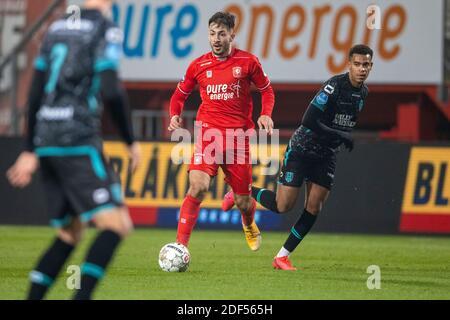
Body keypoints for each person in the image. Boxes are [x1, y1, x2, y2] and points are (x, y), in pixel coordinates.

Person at [6, 0, 141, 299]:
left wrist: (30, 148)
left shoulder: (55, 28)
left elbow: (36, 90)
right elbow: (111, 90)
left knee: (69, 234)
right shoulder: (105, 29)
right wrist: (130, 141)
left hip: (47, 141)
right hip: (77, 140)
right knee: (117, 225)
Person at [223, 44, 373, 270]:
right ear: (349, 64)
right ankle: (242, 191)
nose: (362, 69)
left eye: (366, 65)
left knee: (314, 207)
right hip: (302, 149)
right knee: (283, 206)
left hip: (326, 155)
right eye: (358, 64)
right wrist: (340, 134)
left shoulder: (363, 93)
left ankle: (281, 257)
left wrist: (337, 138)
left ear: (371, 66)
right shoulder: (334, 86)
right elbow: (309, 120)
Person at [168, 12, 275, 251]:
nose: (216, 39)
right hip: (208, 136)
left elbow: (267, 91)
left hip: (238, 139)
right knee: (197, 186)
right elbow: (179, 95)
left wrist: (265, 113)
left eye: (222, 34)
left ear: (231, 36)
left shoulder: (248, 62)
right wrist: (175, 113)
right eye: (212, 33)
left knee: (243, 202)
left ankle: (248, 224)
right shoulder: (198, 65)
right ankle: (180, 246)